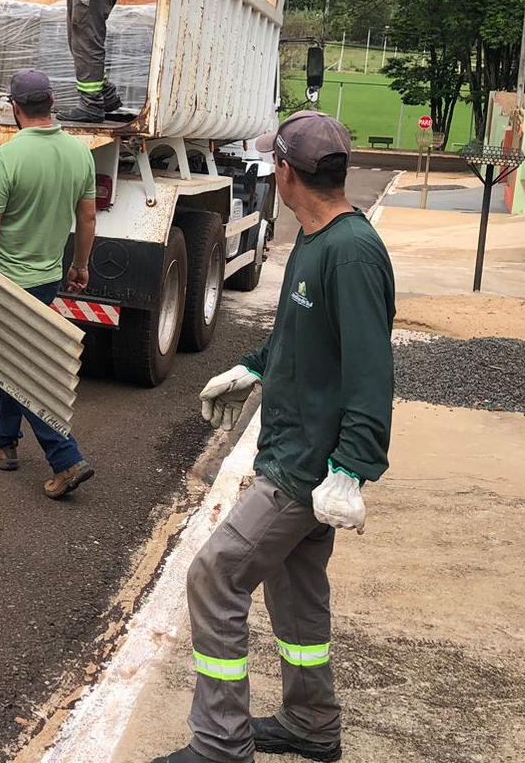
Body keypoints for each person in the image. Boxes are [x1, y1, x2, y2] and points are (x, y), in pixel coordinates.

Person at [153, 111, 396, 763]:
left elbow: (373, 373)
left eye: (274, 163)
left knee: (214, 576)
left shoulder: (351, 253)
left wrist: (351, 468)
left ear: (288, 172)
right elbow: (298, 338)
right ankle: (313, 724)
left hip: (305, 467)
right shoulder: (315, 241)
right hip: (294, 450)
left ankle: (221, 745)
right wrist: (252, 368)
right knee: (297, 594)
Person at [0, 69, 98, 498]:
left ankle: (66, 458)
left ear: (15, 108)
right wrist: (80, 265)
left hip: (8, 279)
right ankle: (1, 443)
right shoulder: (81, 154)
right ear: (53, 104)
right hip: (47, 277)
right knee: (16, 359)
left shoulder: (6, 157)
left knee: (20, 369)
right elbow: (87, 218)